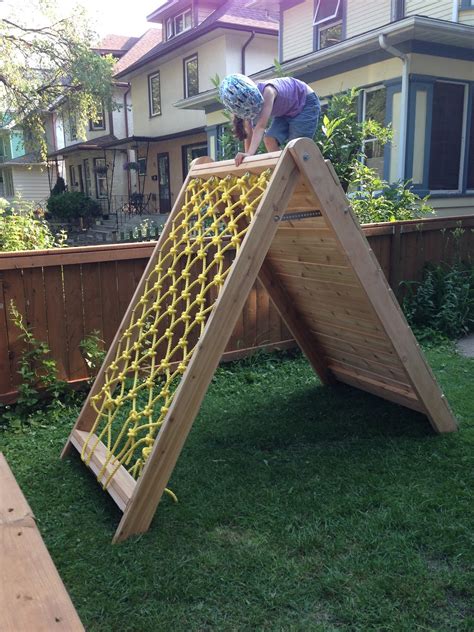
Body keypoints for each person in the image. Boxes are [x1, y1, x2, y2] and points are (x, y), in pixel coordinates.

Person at [219, 74, 320, 166]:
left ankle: (294, 170)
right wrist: (247, 158)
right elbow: (249, 133)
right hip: (285, 110)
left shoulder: (268, 92)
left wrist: (250, 153)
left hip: (305, 102)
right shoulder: (242, 107)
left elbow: (260, 127)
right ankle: (282, 169)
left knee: (295, 147)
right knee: (269, 139)